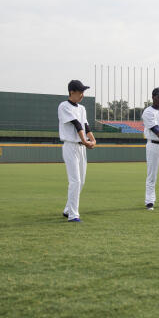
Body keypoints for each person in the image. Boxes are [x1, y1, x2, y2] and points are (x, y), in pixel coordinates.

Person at [58, 80, 96, 223]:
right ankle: (73, 215)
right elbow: (76, 124)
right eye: (80, 91)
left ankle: (68, 209)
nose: (82, 94)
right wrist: (85, 141)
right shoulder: (63, 106)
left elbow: (86, 125)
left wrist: (93, 139)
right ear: (71, 92)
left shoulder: (82, 108)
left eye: (83, 91)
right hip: (71, 145)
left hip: (81, 147)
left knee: (81, 181)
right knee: (75, 180)